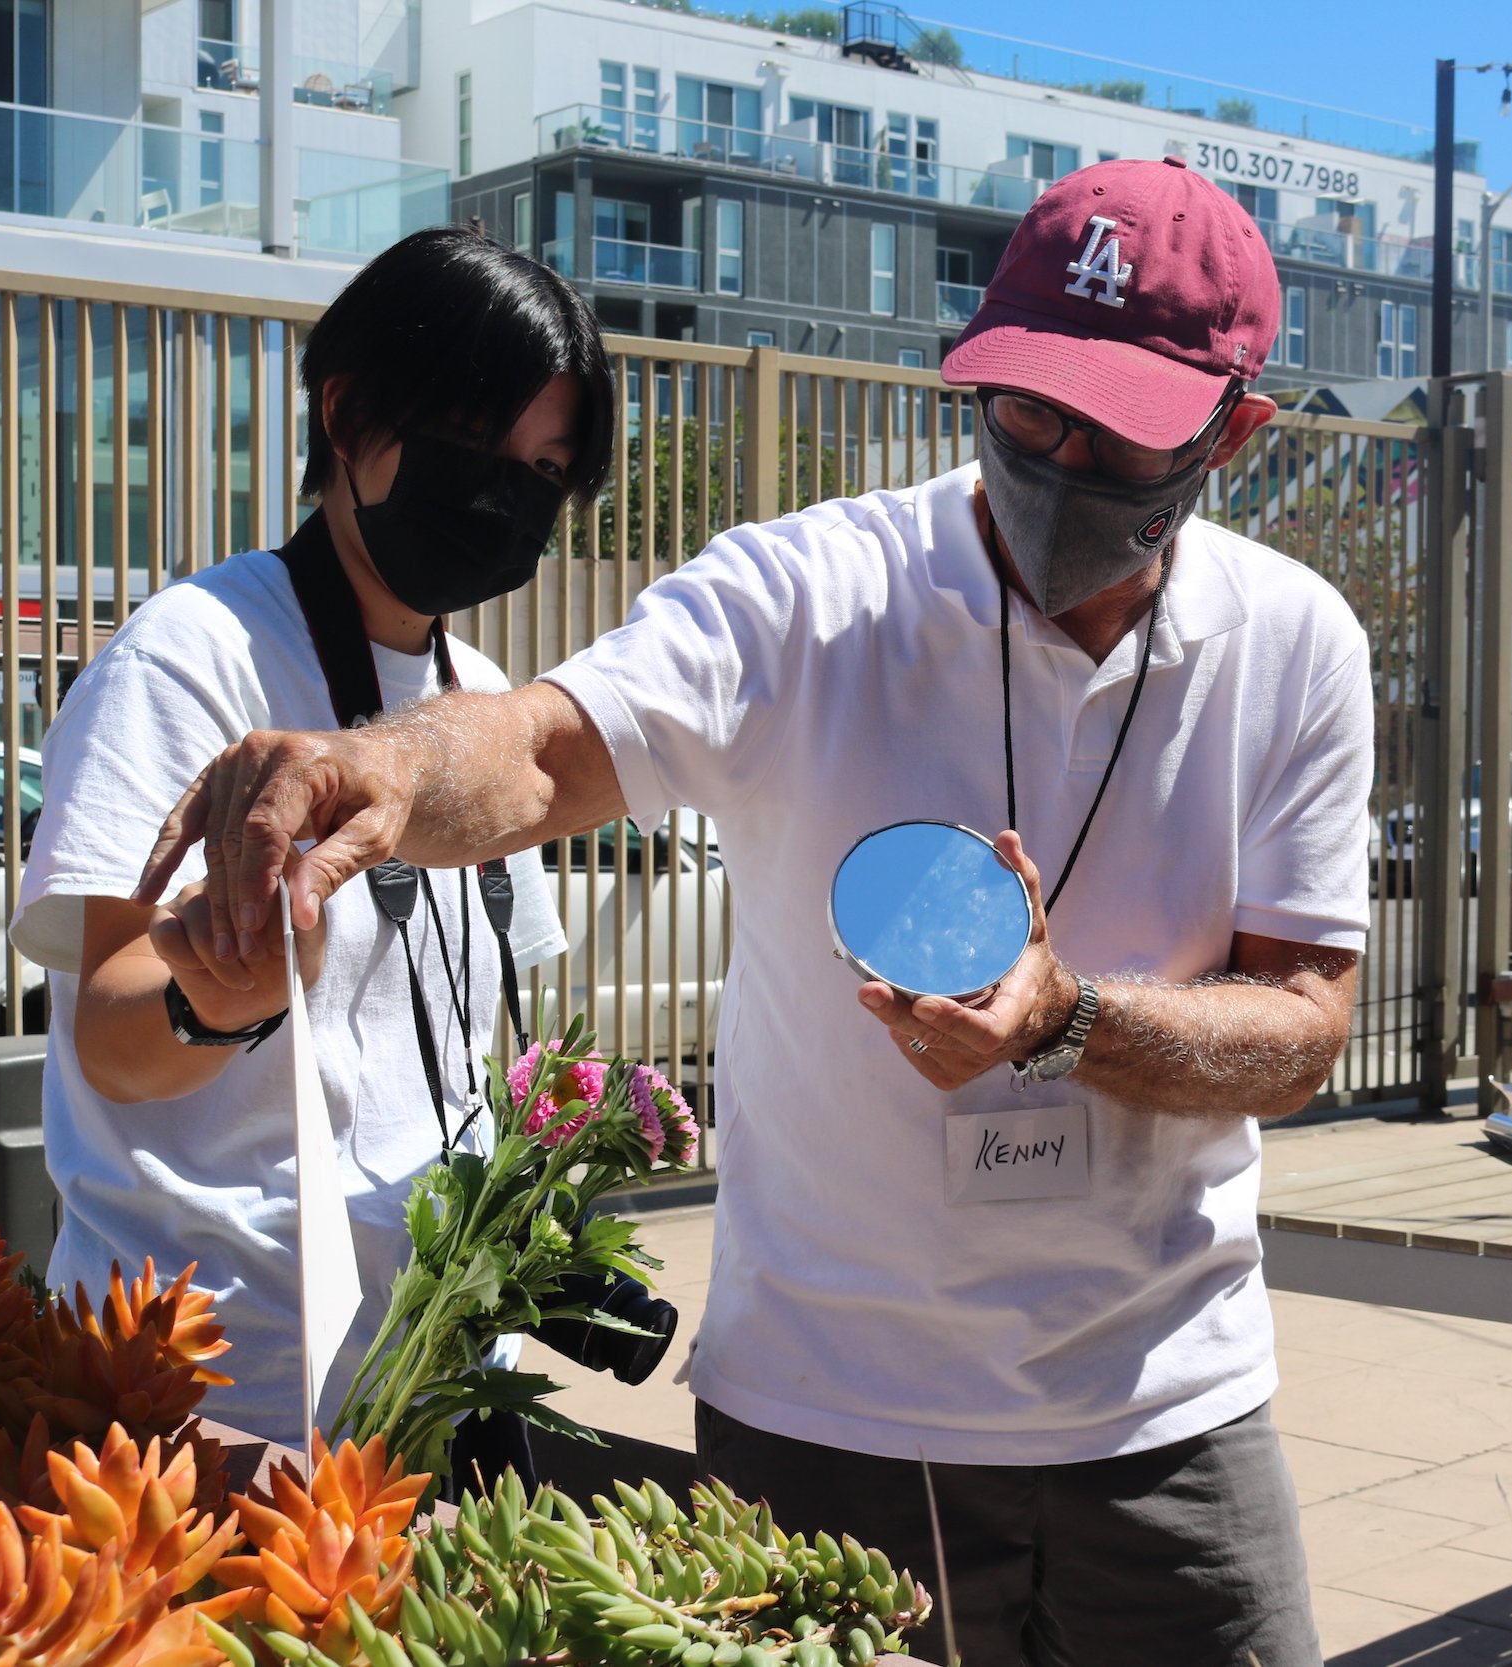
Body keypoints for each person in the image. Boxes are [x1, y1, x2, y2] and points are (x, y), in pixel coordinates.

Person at [134, 157, 1371, 1665]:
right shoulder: (809, 591)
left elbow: (1304, 1026)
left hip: (1168, 1412)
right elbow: (541, 745)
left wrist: (1069, 1020)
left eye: (1114, 430)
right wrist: (369, 766)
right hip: (829, 1419)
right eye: (1025, 408)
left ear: (1235, 427)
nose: (1055, 454)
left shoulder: (1298, 643)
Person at [12, 226, 609, 1451]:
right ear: (345, 415)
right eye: (473, 447)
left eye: (543, 470)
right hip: (212, 1396)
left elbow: (448, 1044)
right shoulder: (192, 657)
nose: (506, 496)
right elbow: (113, 1031)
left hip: (439, 1378)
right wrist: (215, 996)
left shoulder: (475, 694)